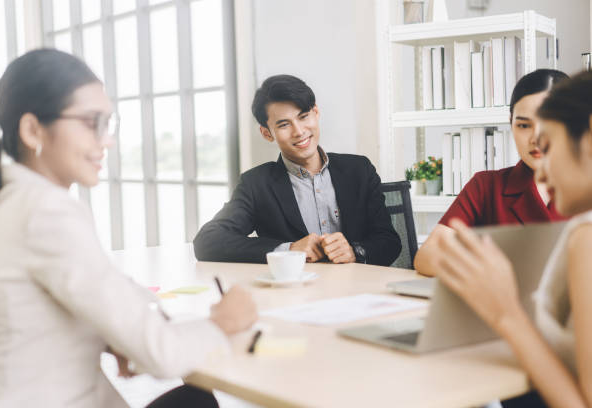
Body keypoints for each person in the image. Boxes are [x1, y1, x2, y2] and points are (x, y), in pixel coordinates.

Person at [0, 49, 257, 407]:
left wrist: (112, 334)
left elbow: (93, 289)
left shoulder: (6, 203)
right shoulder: (47, 211)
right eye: (90, 122)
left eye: (108, 124)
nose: (106, 139)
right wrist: (224, 320)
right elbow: (163, 355)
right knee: (197, 401)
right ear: (33, 129)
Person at [433, 71, 592, 408]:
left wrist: (506, 312)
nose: (543, 172)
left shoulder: (585, 234)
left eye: (551, 146)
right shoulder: (487, 184)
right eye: (523, 128)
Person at [193, 74, 401, 266]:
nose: (299, 132)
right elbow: (207, 241)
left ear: (316, 113)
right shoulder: (256, 184)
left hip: (359, 291)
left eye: (303, 117)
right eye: (284, 125)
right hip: (294, 295)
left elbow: (389, 240)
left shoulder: (359, 170)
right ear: (267, 133)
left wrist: (355, 251)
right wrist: (288, 250)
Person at [414, 69, 569, 277]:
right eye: (524, 125)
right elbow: (427, 256)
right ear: (511, 124)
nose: (536, 138)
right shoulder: (486, 186)